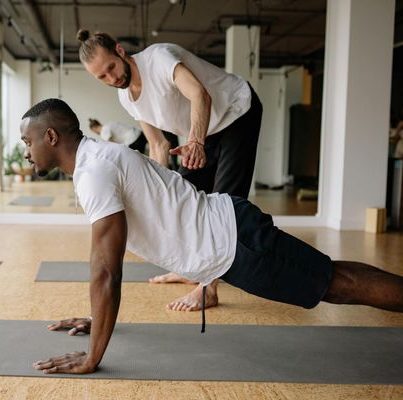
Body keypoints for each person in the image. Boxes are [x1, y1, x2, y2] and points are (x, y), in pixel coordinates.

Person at [22, 98, 403, 375]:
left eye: (28, 142)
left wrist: (93, 355)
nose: (25, 152)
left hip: (236, 244)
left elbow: (106, 271)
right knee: (332, 279)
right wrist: (98, 318)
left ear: (51, 136)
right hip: (232, 233)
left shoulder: (94, 173)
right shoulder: (99, 159)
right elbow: (107, 267)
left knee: (336, 284)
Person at [76, 30, 263, 312]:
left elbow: (200, 95)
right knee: (183, 201)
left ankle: (208, 288)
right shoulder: (126, 98)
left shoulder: (159, 58)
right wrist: (157, 196)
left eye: (111, 67)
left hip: (236, 112)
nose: (112, 78)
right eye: (102, 77)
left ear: (120, 50)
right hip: (202, 132)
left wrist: (196, 142)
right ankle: (194, 269)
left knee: (226, 202)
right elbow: (159, 145)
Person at [89, 118, 179, 169]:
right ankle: (171, 164)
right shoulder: (110, 123)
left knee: (139, 162)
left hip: (133, 141)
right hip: (139, 134)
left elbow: (110, 145)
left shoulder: (104, 130)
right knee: (156, 147)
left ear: (94, 129)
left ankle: (162, 169)